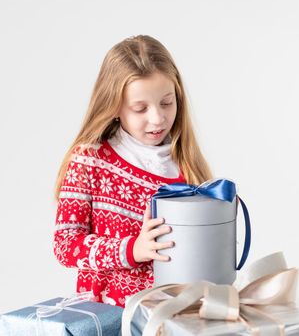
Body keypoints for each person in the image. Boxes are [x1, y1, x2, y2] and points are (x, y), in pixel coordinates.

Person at [52, 35, 213, 307]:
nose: (157, 118)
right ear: (114, 106)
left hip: (174, 316)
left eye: (166, 102)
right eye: (140, 108)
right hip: (110, 318)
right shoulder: (90, 161)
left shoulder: (186, 165)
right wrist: (132, 249)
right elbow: (65, 245)